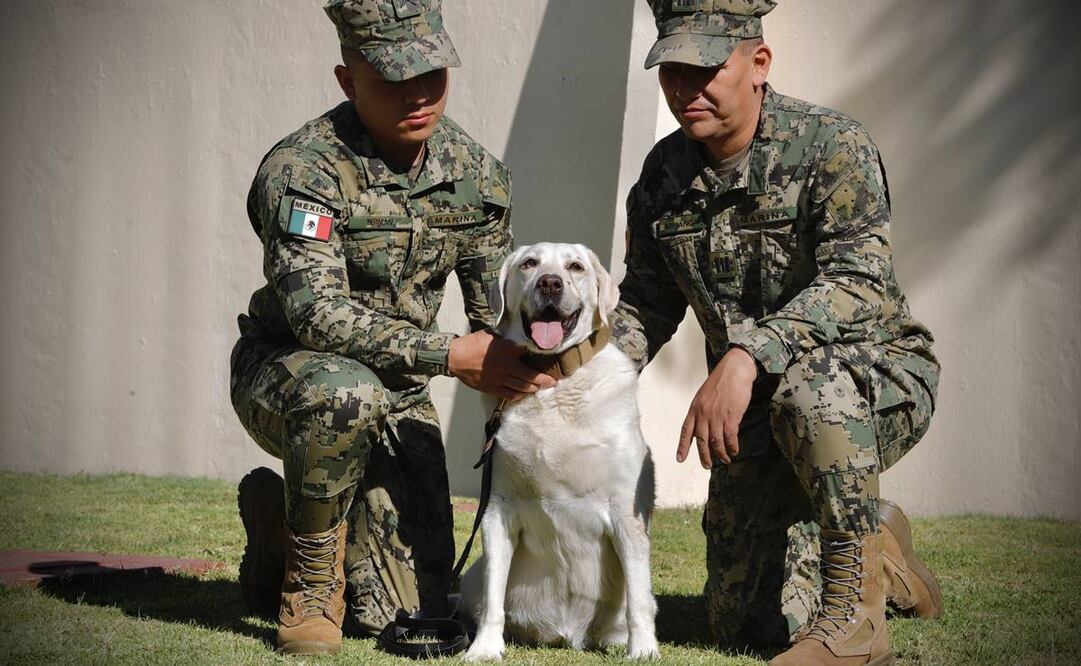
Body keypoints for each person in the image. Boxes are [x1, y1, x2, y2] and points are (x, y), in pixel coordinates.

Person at [613, 1, 944, 663]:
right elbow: (644, 307)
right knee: (743, 627)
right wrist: (578, 379)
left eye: (706, 67)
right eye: (672, 70)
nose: (686, 87)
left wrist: (745, 353)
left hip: (871, 383)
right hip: (761, 415)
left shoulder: (829, 146)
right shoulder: (661, 178)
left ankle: (856, 623)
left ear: (758, 64)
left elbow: (857, 280)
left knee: (809, 389)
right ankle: (875, 541)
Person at [229, 0, 554, 654]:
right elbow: (314, 314)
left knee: (404, 616)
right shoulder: (304, 171)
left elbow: (495, 316)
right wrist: (448, 353)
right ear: (348, 81)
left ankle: (277, 527)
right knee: (344, 391)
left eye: (430, 74)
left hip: (400, 393)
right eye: (391, 79)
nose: (417, 95)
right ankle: (310, 579)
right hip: (290, 377)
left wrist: (533, 378)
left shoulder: (476, 177)